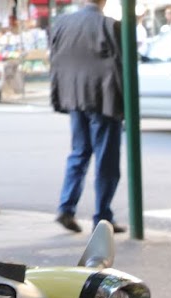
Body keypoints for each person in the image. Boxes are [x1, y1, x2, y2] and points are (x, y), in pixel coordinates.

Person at [50, 0, 125, 234]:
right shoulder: (109, 25)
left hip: (74, 97)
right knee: (106, 160)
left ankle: (66, 207)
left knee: (79, 153)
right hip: (104, 99)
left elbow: (55, 60)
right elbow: (122, 65)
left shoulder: (61, 24)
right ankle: (102, 217)